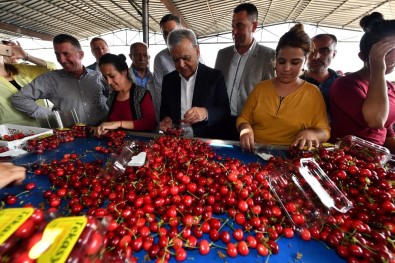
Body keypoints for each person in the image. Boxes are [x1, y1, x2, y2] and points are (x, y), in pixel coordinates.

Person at [237, 24, 330, 152]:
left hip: (289, 159)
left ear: (305, 60)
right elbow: (243, 118)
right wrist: (245, 129)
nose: (286, 68)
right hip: (253, 153)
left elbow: (324, 131)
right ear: (275, 60)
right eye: (281, 61)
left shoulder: (313, 93)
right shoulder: (261, 88)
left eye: (294, 62)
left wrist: (312, 134)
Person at [329, 12, 395, 152]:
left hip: (376, 159)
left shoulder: (390, 88)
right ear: (364, 57)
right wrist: (378, 66)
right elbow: (376, 121)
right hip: (345, 159)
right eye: (388, 51)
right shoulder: (345, 84)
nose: (393, 57)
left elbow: (387, 133)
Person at [12, 34, 109, 126]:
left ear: (81, 55)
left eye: (66, 54)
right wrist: (51, 116)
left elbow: (115, 98)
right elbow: (20, 98)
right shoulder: (50, 79)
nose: (61, 60)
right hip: (72, 136)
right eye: (57, 54)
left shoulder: (98, 77)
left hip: (103, 132)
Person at [215, 3, 276, 140]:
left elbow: (270, 95)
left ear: (254, 26)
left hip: (250, 127)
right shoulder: (222, 55)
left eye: (240, 26)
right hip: (221, 123)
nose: (234, 31)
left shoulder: (268, 56)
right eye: (233, 26)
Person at [159, 29, 230, 139]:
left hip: (205, 141)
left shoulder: (214, 77)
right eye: (176, 60)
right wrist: (166, 119)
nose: (181, 65)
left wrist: (205, 113)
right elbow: (164, 111)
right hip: (177, 141)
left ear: (197, 52)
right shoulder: (169, 80)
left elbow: (224, 111)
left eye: (186, 58)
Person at [94, 53, 156, 136]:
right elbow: (111, 123)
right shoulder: (112, 96)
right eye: (105, 77)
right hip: (116, 144)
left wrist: (118, 124)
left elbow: (150, 123)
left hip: (137, 145)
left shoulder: (141, 94)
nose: (109, 82)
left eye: (112, 76)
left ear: (124, 72)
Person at [0, 41, 57, 126]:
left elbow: (52, 71)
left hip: (43, 125)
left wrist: (26, 56)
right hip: (12, 131)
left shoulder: (21, 69)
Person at [301, 34, 340, 113]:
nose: (315, 57)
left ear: (334, 54)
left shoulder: (343, 84)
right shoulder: (293, 83)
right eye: (311, 51)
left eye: (324, 51)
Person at [153, 14, 182, 121]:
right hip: (171, 114)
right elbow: (158, 90)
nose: (169, 36)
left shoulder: (196, 53)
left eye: (172, 31)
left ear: (180, 30)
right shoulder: (160, 58)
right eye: (165, 33)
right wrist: (163, 117)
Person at [128, 42, 157, 122]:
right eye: (137, 55)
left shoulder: (156, 78)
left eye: (145, 55)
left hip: (151, 122)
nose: (142, 58)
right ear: (130, 57)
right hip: (130, 123)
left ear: (149, 57)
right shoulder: (124, 77)